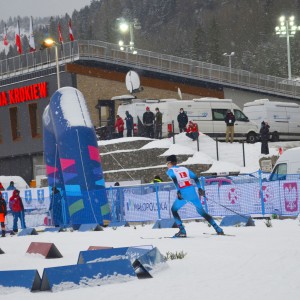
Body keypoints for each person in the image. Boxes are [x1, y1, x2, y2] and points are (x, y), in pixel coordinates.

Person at [166, 154, 224, 237]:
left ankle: (182, 231)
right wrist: (200, 188)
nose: (167, 166)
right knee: (201, 211)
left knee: (174, 210)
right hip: (192, 191)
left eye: (167, 164)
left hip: (183, 192)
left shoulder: (170, 170)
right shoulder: (184, 168)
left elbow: (175, 179)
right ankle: (218, 229)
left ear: (170, 163)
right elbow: (195, 177)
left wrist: (178, 191)